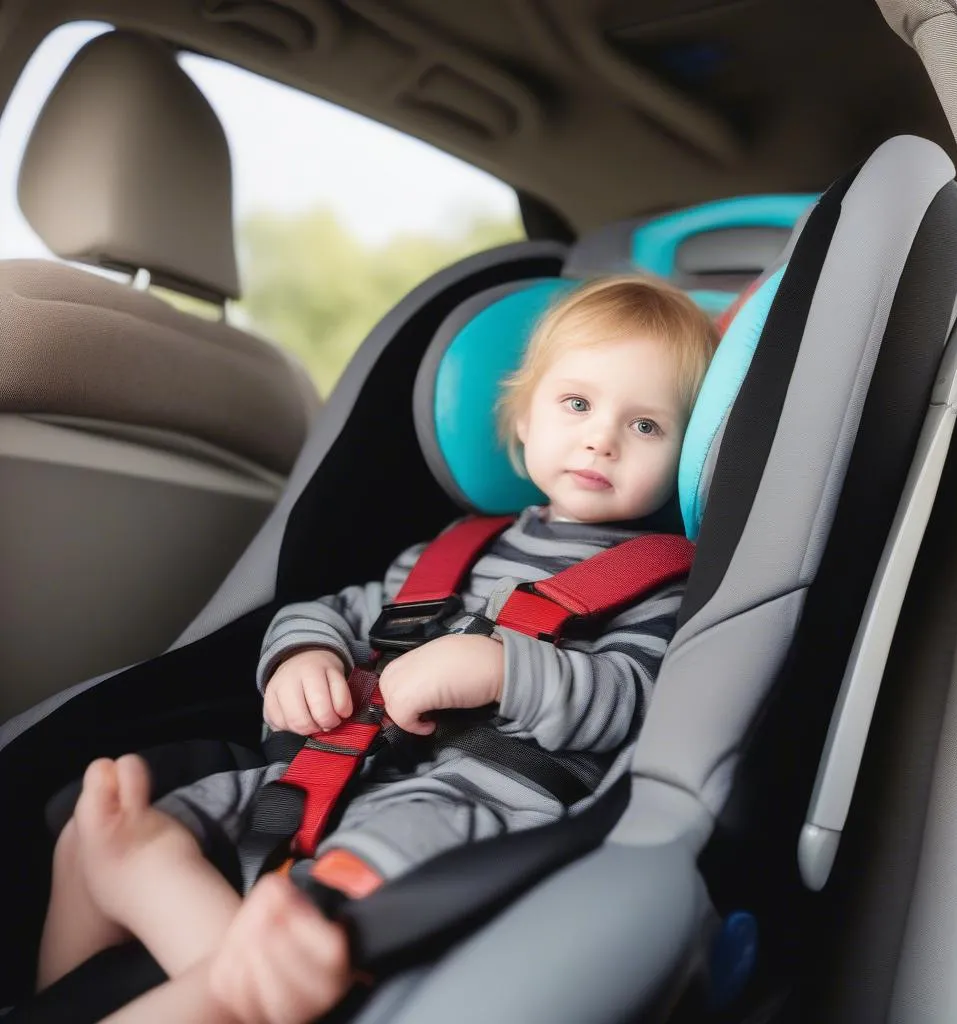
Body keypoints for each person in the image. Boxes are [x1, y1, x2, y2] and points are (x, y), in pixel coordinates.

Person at [35, 275, 718, 1023]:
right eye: (578, 404)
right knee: (91, 838)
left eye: (647, 426)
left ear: (689, 457)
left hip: (469, 804)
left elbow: (629, 702)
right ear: (524, 420)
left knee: (291, 910)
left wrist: (500, 670)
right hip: (327, 779)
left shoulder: (659, 585)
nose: (601, 438)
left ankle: (247, 988)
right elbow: (337, 612)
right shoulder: (451, 551)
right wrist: (305, 659)